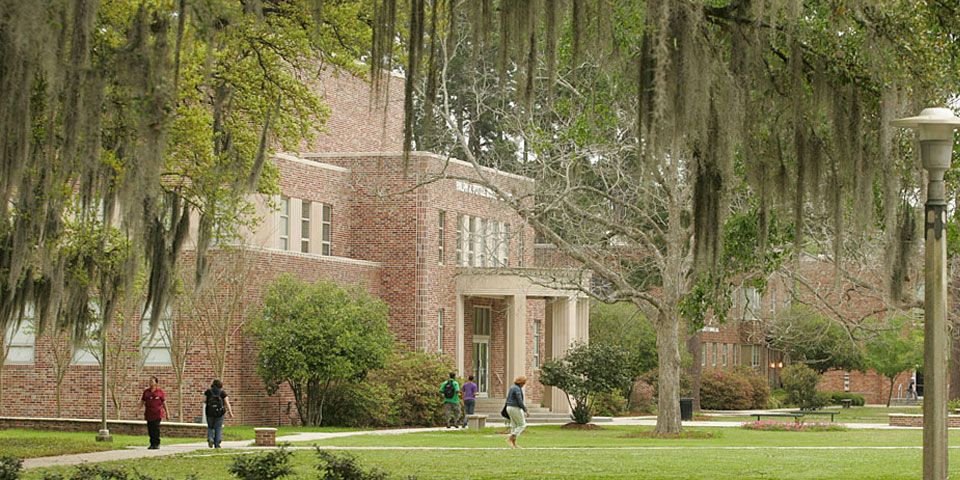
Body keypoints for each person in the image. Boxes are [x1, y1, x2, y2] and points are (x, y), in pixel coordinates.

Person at [138, 376, 169, 449]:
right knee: (150, 429)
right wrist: (138, 410)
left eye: (152, 381)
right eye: (149, 381)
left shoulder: (160, 392)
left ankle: (157, 443)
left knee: (156, 428)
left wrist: (167, 413)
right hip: (149, 414)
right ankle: (152, 444)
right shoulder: (146, 392)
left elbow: (164, 403)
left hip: (157, 414)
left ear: (156, 383)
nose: (150, 383)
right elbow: (142, 402)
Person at [204, 379, 234, 448]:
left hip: (209, 413)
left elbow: (204, 401)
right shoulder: (222, 393)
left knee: (210, 427)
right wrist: (230, 413)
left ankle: (210, 439)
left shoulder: (208, 392)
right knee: (218, 428)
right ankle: (217, 444)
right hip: (219, 414)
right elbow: (227, 403)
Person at [505, 376, 527, 448]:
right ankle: (510, 438)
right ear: (521, 382)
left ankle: (513, 444)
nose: (524, 384)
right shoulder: (517, 389)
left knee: (514, 426)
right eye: (524, 383)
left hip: (509, 407)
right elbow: (519, 400)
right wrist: (525, 409)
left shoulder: (512, 387)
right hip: (515, 407)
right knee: (522, 425)